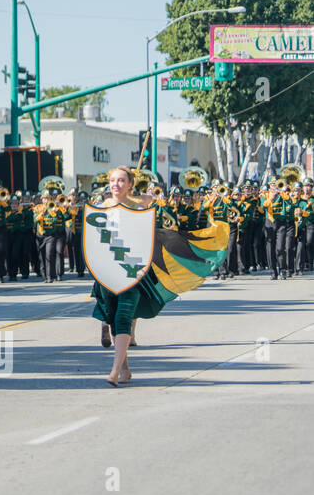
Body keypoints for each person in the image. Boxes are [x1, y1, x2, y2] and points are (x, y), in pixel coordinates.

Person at [88, 165, 226, 387]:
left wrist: (142, 206)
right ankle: (125, 368)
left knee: (123, 316)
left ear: (130, 184)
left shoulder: (139, 208)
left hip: (132, 270)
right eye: (113, 180)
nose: (116, 184)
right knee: (114, 319)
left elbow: (146, 239)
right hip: (106, 272)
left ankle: (114, 371)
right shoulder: (98, 209)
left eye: (121, 180)